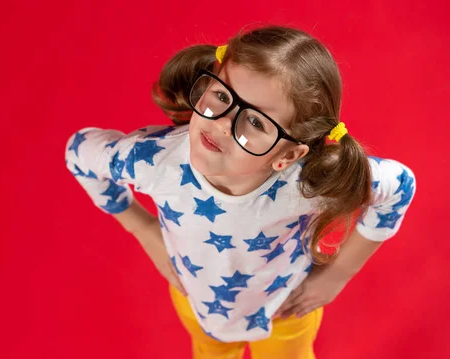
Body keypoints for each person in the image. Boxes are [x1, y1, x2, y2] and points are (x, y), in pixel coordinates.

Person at [64, 25, 416, 359]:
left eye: (256, 121)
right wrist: (143, 229)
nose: (221, 123)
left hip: (286, 310)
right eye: (221, 95)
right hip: (199, 305)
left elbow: (400, 185)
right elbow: (79, 151)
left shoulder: (309, 183)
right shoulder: (153, 162)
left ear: (288, 155)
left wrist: (338, 276)